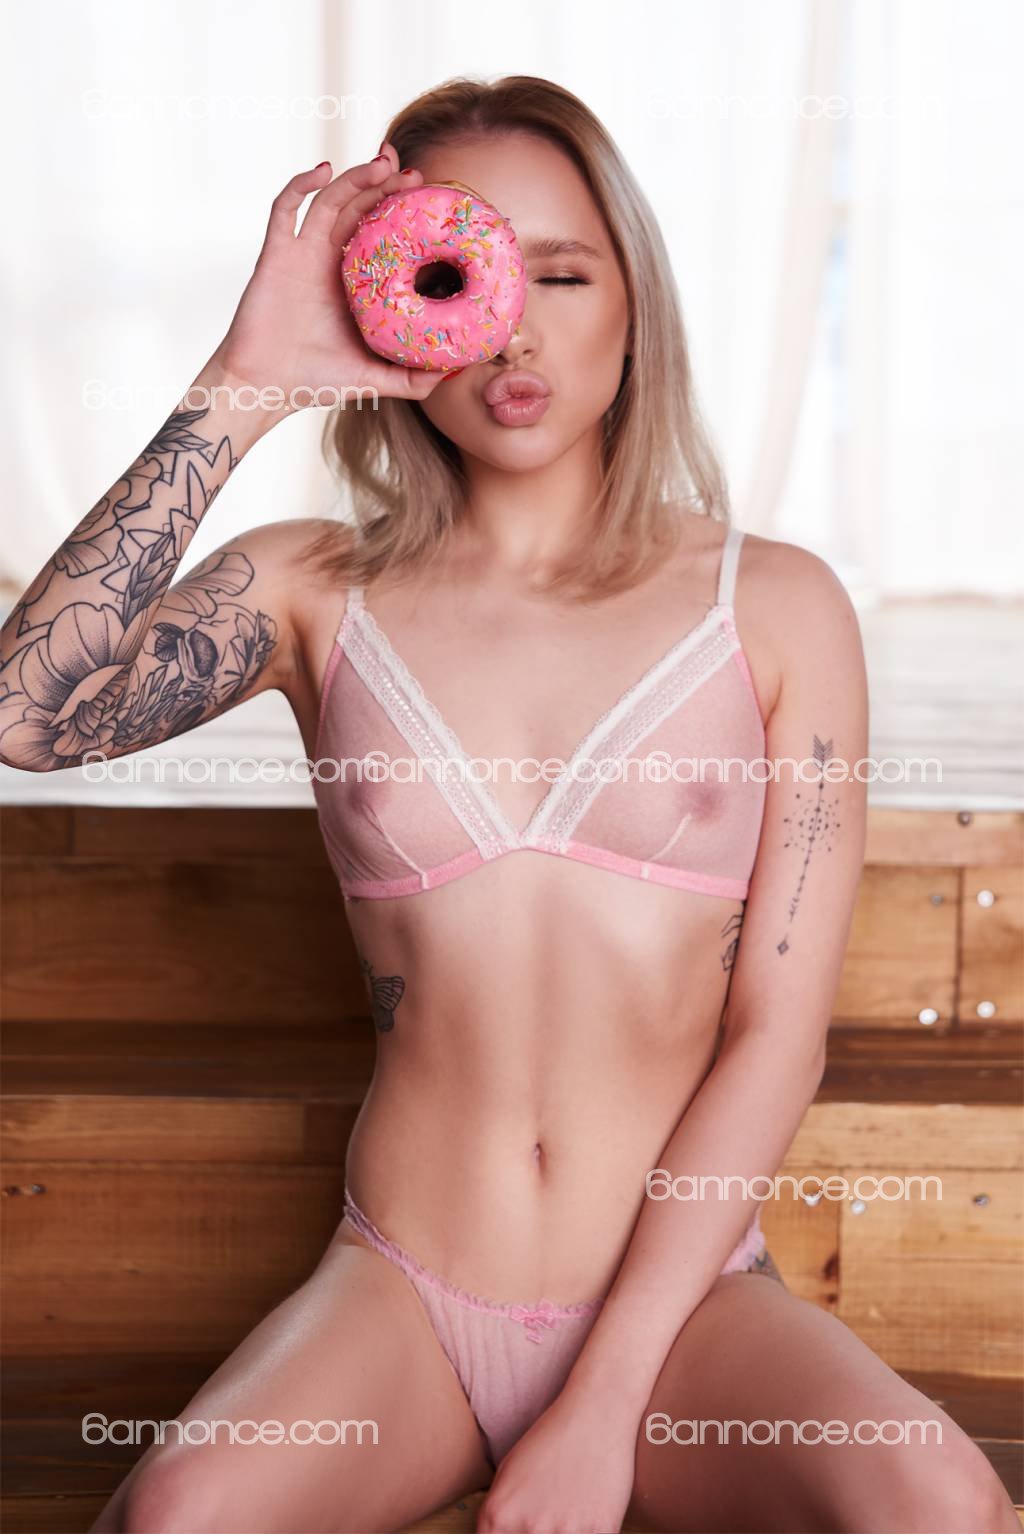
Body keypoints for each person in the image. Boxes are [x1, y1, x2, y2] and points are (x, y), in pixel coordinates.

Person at [2, 74, 1015, 1534]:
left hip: (684, 1319)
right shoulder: (313, 588)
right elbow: (26, 715)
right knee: (176, 1515)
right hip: (405, 1299)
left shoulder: (775, 607)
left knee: (940, 1501)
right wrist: (248, 377)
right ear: (387, 306)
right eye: (460, 274)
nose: (519, 328)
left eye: (565, 272)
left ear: (636, 304)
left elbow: (777, 1036)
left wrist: (601, 1409)